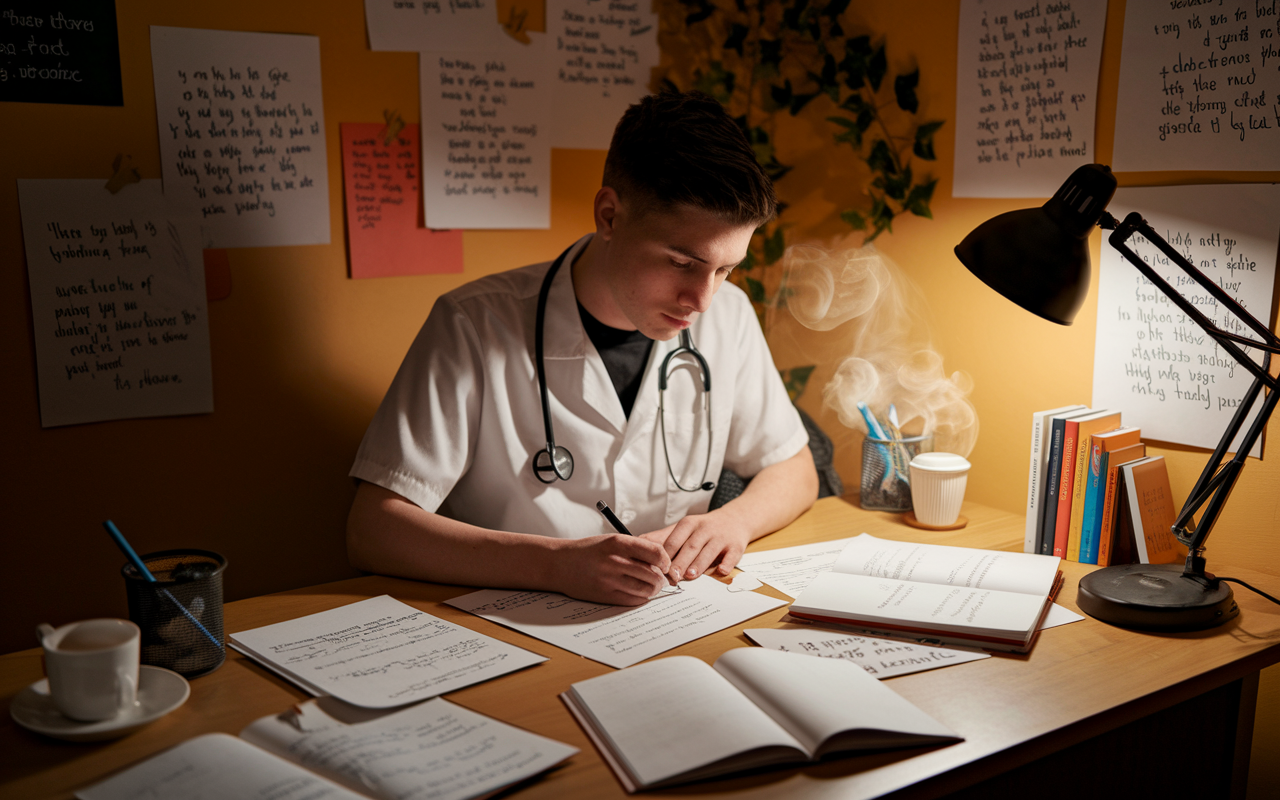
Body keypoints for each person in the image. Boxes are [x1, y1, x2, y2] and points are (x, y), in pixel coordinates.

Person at [346, 91, 818, 606]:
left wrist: (733, 521)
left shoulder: (728, 315)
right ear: (610, 216)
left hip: (668, 616)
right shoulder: (473, 325)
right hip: (512, 624)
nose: (702, 299)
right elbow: (373, 530)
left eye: (725, 269)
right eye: (682, 263)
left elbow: (793, 468)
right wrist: (553, 564)